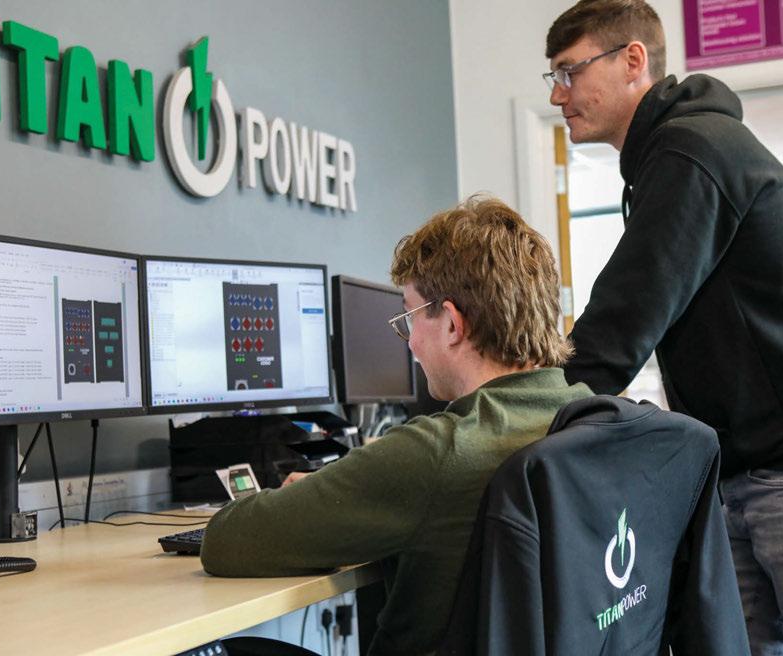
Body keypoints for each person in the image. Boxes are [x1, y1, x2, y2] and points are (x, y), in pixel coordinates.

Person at [542, 1, 783, 654]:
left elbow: (624, 318)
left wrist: (527, 408)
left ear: (633, 60)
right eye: (554, 78)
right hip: (747, 469)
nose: (558, 95)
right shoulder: (669, 156)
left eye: (570, 72)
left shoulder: (691, 151)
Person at [200, 196, 592, 655]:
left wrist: (319, 496)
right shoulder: (593, 419)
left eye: (409, 319)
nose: (409, 344)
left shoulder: (437, 451)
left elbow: (226, 542)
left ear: (451, 324)